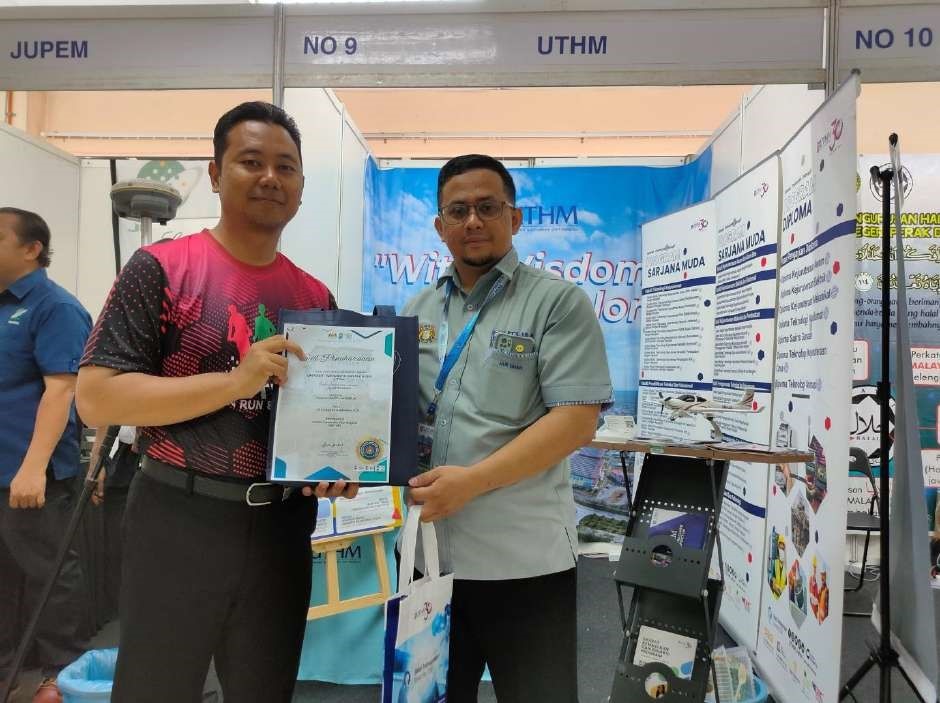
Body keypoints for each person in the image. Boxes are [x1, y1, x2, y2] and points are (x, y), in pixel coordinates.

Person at [76, 101, 357, 703]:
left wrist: (334, 465)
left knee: (265, 689)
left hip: (281, 525)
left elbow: (319, 418)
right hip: (178, 516)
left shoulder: (313, 296)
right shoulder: (161, 268)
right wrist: (235, 381)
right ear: (214, 173)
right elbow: (96, 398)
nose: (270, 178)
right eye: (251, 161)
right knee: (155, 688)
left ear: (301, 188)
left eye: (286, 167)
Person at [404, 154, 613, 702]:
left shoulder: (557, 303)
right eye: (458, 210)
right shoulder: (418, 308)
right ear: (440, 226)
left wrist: (471, 482)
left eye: (488, 207)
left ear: (514, 218)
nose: (473, 220)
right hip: (430, 560)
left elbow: (576, 421)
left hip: (522, 563)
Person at [0, 207, 92, 702]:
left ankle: (62, 673)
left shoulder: (55, 307)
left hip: (31, 474)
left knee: (50, 573)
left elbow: (62, 390)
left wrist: (33, 468)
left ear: (31, 248)